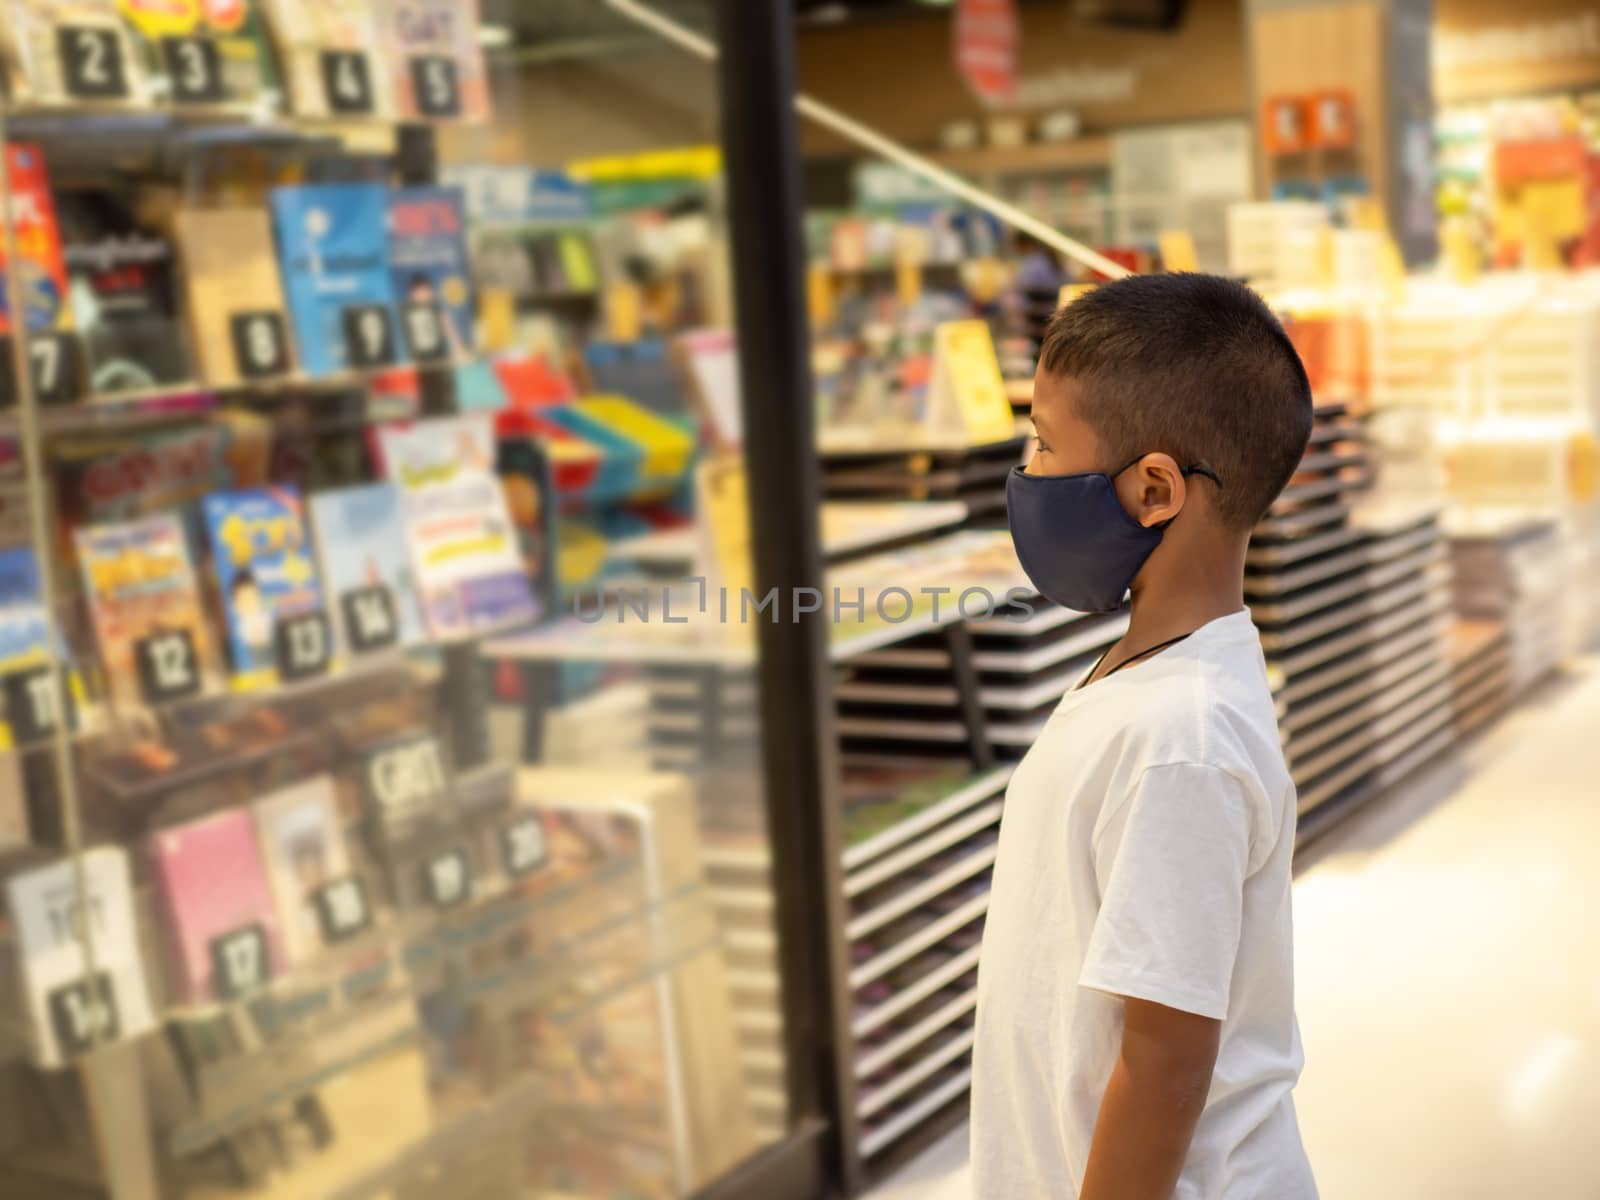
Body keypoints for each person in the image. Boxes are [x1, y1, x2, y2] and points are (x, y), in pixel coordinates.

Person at [972, 272, 1317, 1199]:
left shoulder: (1180, 740)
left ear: (1154, 488)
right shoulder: (1152, 676)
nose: (1027, 470)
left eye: (1044, 444)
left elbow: (1165, 1068)